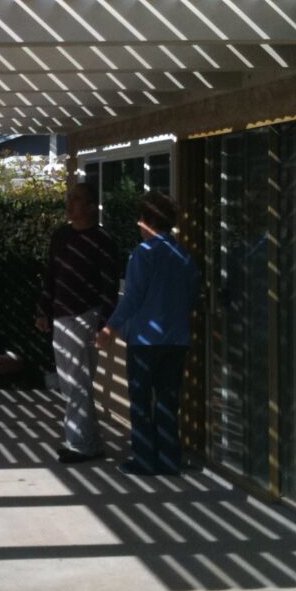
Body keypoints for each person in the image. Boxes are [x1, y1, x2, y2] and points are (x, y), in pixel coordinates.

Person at [97, 192, 200, 476]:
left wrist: (109, 328)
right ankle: (168, 459)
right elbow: (191, 296)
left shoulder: (143, 254)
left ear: (147, 221)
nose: (139, 225)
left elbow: (132, 298)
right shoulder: (185, 257)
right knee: (168, 400)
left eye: (141, 220)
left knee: (141, 402)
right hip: (177, 340)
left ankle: (143, 459)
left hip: (144, 340)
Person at [36, 182, 118, 464]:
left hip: (86, 315)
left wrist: (105, 323)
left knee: (77, 382)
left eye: (77, 199)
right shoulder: (61, 236)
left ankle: (79, 445)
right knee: (70, 383)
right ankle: (90, 442)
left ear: (91, 206)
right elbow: (51, 274)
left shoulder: (102, 240)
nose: (69, 204)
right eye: (69, 198)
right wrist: (43, 310)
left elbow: (109, 285)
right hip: (60, 315)